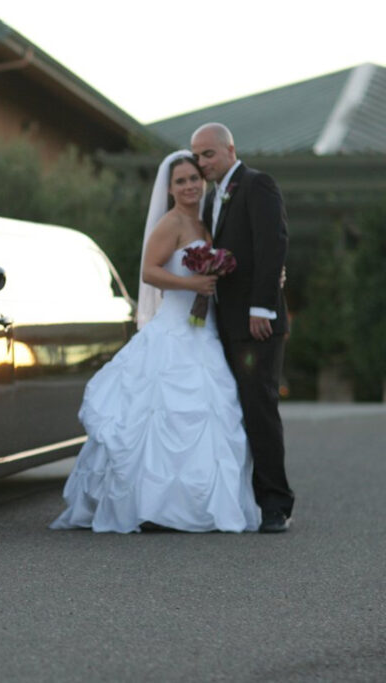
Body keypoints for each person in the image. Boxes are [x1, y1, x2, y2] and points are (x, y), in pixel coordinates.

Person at [50, 150, 261, 533]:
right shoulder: (171, 223)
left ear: (203, 182)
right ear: (169, 188)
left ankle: (198, 506)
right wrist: (191, 283)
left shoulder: (206, 224)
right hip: (174, 330)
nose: (189, 186)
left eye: (194, 178)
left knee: (215, 409)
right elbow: (149, 272)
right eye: (180, 181)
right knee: (159, 415)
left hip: (204, 331)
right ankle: (152, 506)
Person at [191, 122, 293, 533]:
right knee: (235, 409)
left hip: (256, 323)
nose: (202, 163)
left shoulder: (257, 184)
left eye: (208, 154)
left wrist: (262, 309)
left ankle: (275, 504)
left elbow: (274, 244)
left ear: (230, 149)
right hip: (224, 322)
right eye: (197, 156)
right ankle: (245, 498)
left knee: (259, 407)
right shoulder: (214, 196)